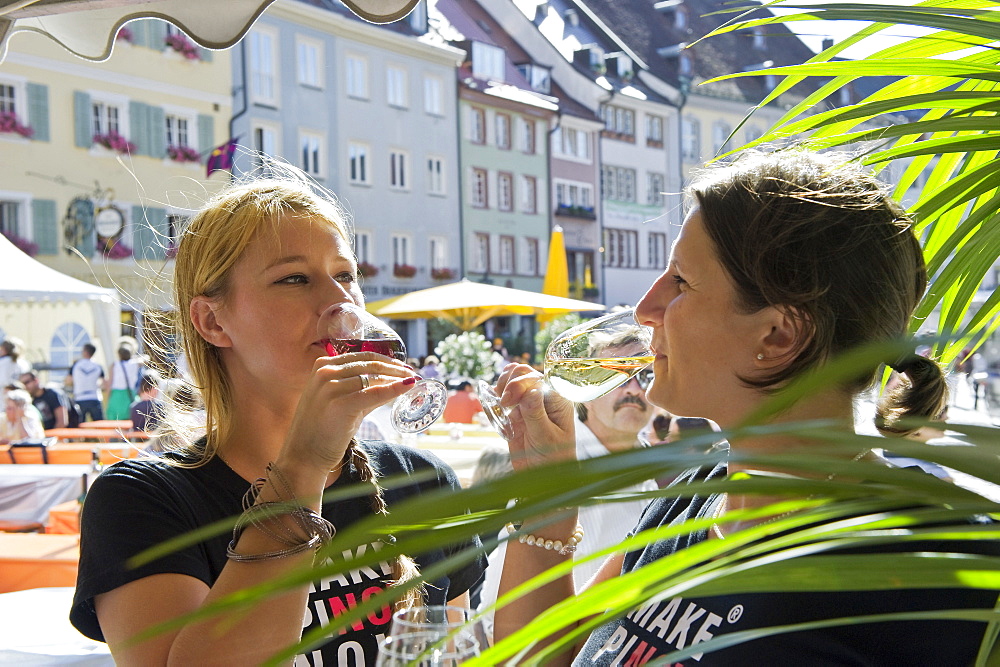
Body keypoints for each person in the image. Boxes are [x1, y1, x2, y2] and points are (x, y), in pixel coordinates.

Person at [490, 150, 999, 665]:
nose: (645, 310)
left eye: (681, 282)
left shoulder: (930, 563)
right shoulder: (693, 497)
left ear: (779, 334)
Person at [70, 166, 486, 664]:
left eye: (346, 275)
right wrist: (304, 466)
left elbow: (478, 654)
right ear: (212, 320)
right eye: (294, 278)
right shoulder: (142, 500)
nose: (339, 300)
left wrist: (551, 508)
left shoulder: (420, 479)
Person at [478, 365, 659, 634]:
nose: (633, 389)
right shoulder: (555, 460)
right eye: (617, 377)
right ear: (586, 389)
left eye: (645, 376)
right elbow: (496, 612)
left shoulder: (651, 471)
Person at [66, 343, 105, 422]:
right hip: (95, 397)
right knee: (99, 425)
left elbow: (68, 381)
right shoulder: (98, 366)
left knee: (79, 425)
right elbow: (103, 383)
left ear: (85, 352)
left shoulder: (76, 365)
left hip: (80, 397)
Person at [105, 345, 142, 420]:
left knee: (114, 420)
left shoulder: (114, 365)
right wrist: (134, 357)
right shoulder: (135, 364)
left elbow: (110, 382)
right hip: (130, 393)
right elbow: (146, 358)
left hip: (116, 394)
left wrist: (108, 395)